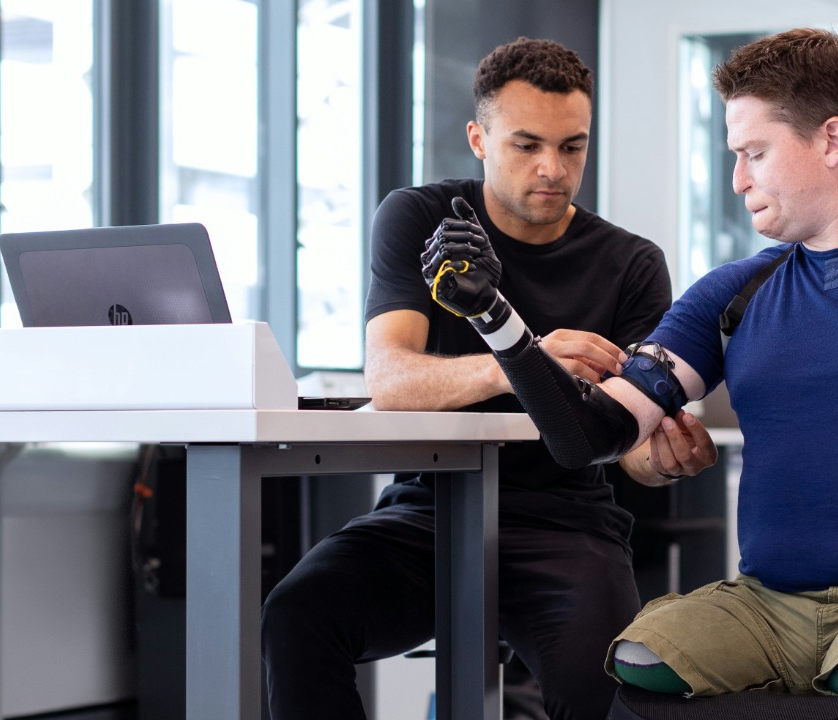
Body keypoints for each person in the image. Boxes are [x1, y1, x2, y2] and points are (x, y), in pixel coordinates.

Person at [420, 27, 838, 720]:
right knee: (636, 664)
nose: (739, 179)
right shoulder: (731, 296)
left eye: (754, 153)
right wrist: (495, 318)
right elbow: (591, 435)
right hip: (767, 608)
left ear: (832, 141)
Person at [261, 37, 717, 720]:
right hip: (429, 513)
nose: (552, 169)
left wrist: (667, 460)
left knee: (613, 697)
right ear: (478, 137)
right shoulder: (423, 220)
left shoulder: (631, 263)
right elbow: (389, 381)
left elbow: (634, 452)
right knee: (297, 617)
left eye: (572, 147)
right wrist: (524, 358)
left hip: (568, 524)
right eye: (526, 145)